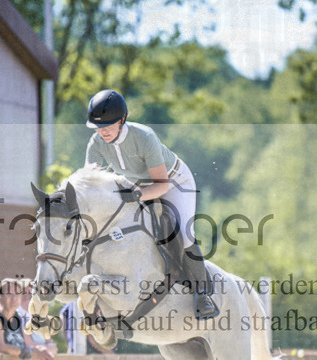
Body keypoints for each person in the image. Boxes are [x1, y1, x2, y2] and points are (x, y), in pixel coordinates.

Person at [84, 88, 218, 320]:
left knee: (184, 234)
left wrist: (135, 196)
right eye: (98, 126)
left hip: (173, 182)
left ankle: (203, 293)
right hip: (136, 187)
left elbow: (161, 186)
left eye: (108, 125)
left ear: (122, 120)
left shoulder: (145, 137)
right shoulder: (96, 143)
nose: (102, 131)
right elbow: (92, 183)